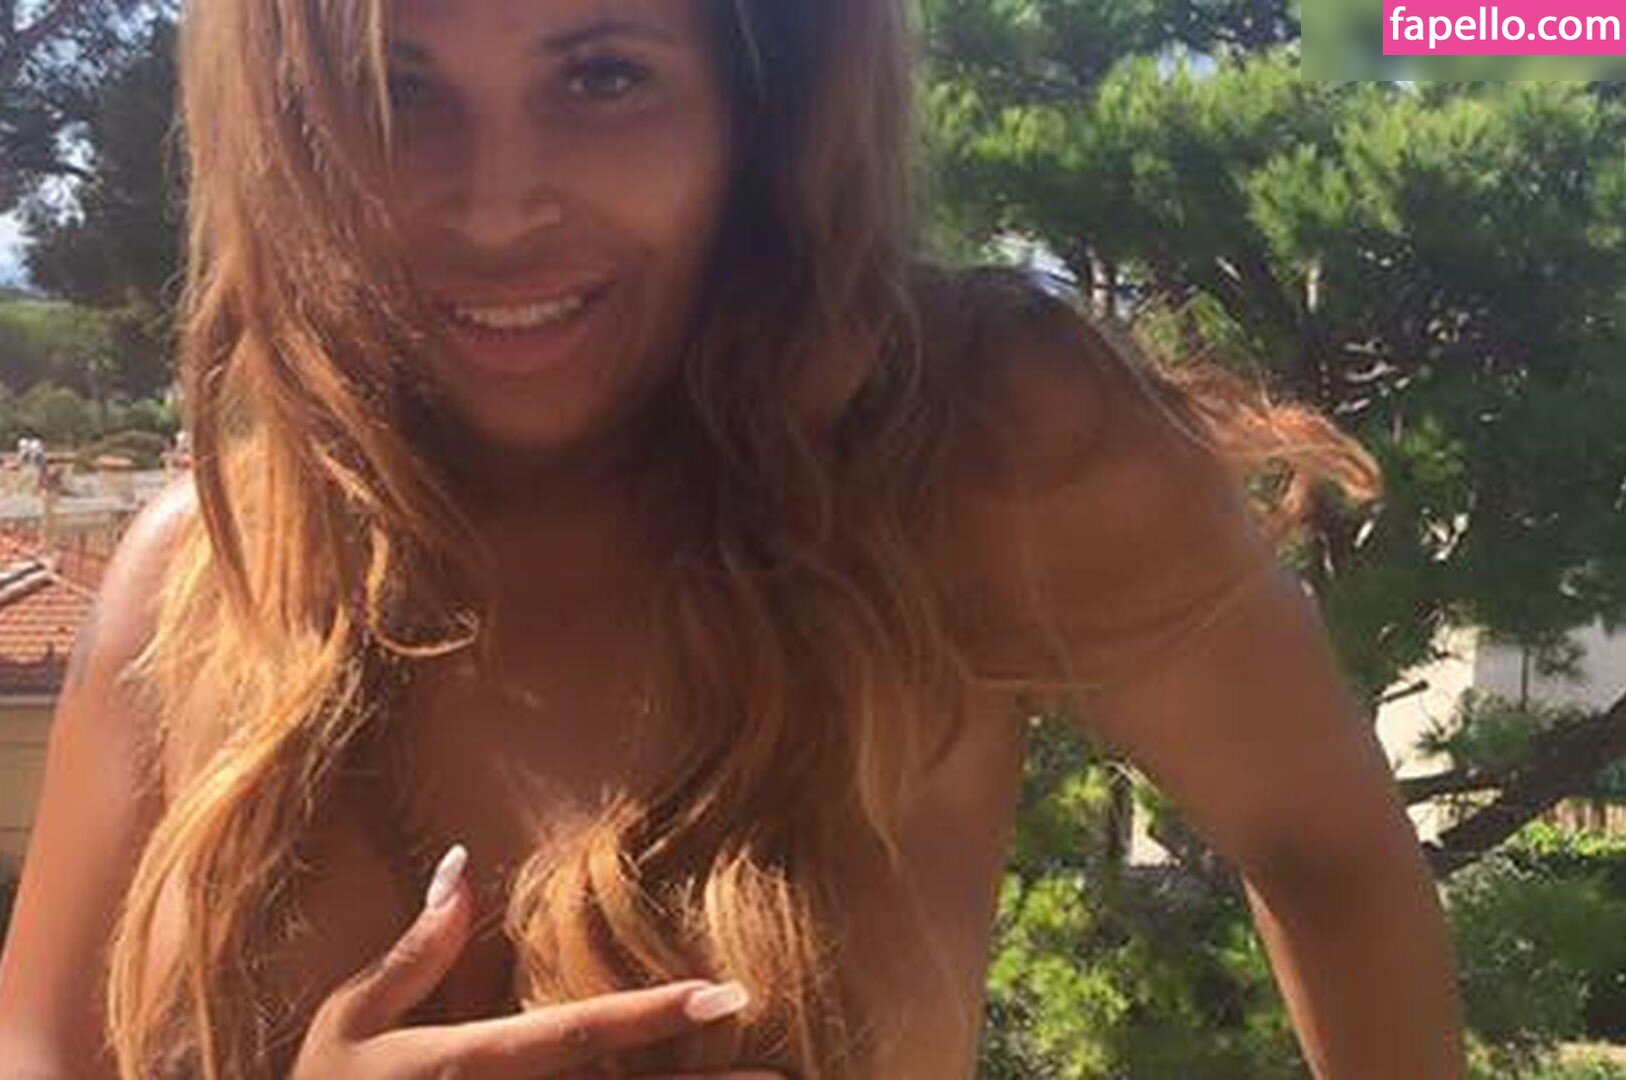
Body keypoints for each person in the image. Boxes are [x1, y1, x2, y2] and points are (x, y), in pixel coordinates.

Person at [0, 1, 1467, 1077]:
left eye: (603, 73)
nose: (497, 206)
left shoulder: (970, 458)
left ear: (756, 103)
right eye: (397, 86)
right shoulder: (196, 579)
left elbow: (1329, 856)